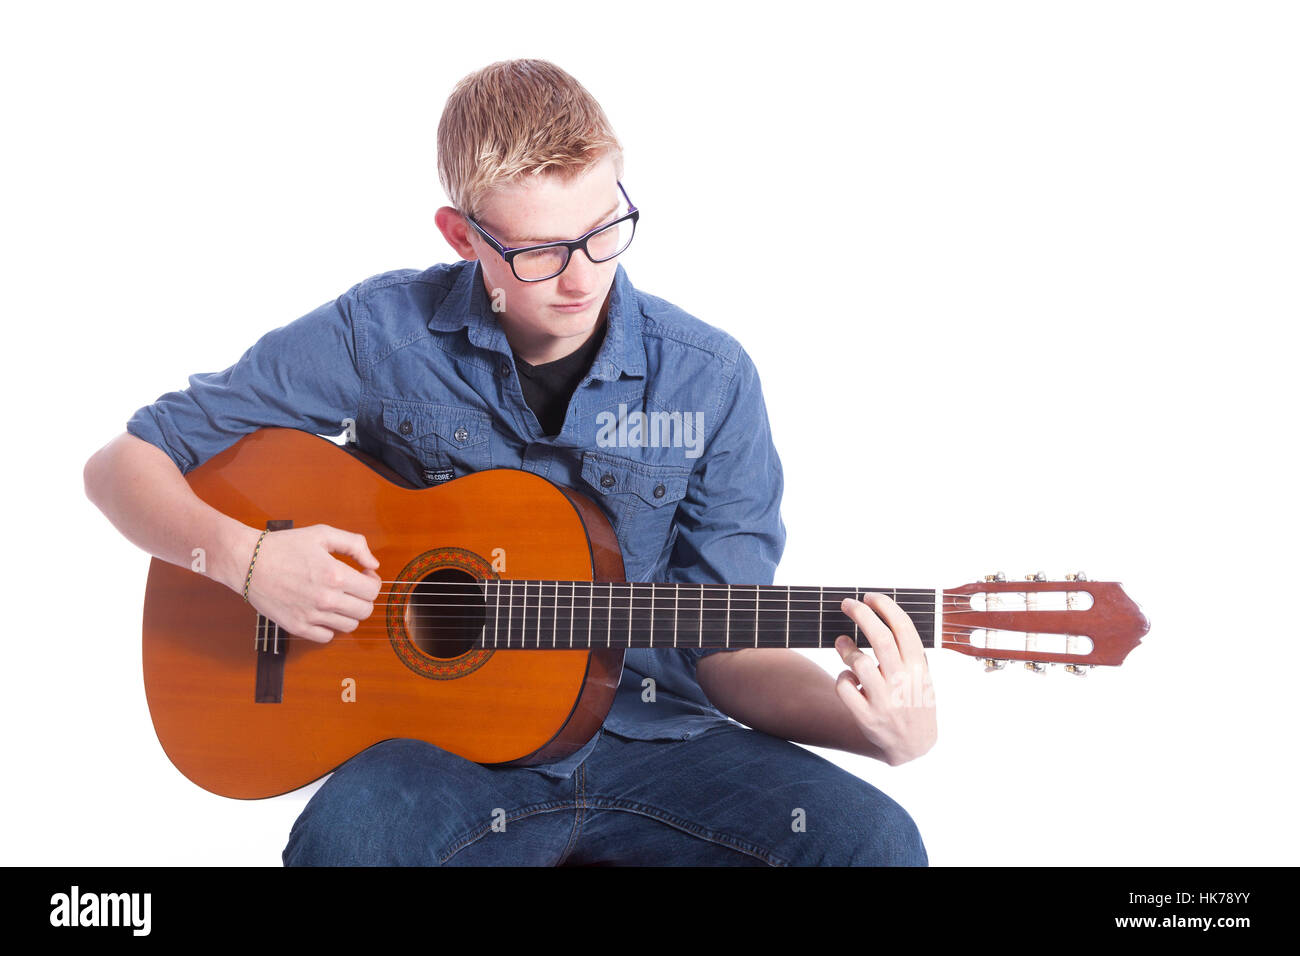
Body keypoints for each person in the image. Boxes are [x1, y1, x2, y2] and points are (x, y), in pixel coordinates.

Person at [84, 58, 935, 866]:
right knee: (348, 844)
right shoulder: (380, 333)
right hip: (436, 753)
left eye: (604, 234)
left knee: (872, 844)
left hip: (655, 740)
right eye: (540, 252)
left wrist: (867, 725)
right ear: (463, 235)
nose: (581, 278)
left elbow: (725, 644)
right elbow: (123, 465)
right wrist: (249, 561)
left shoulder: (708, 378)